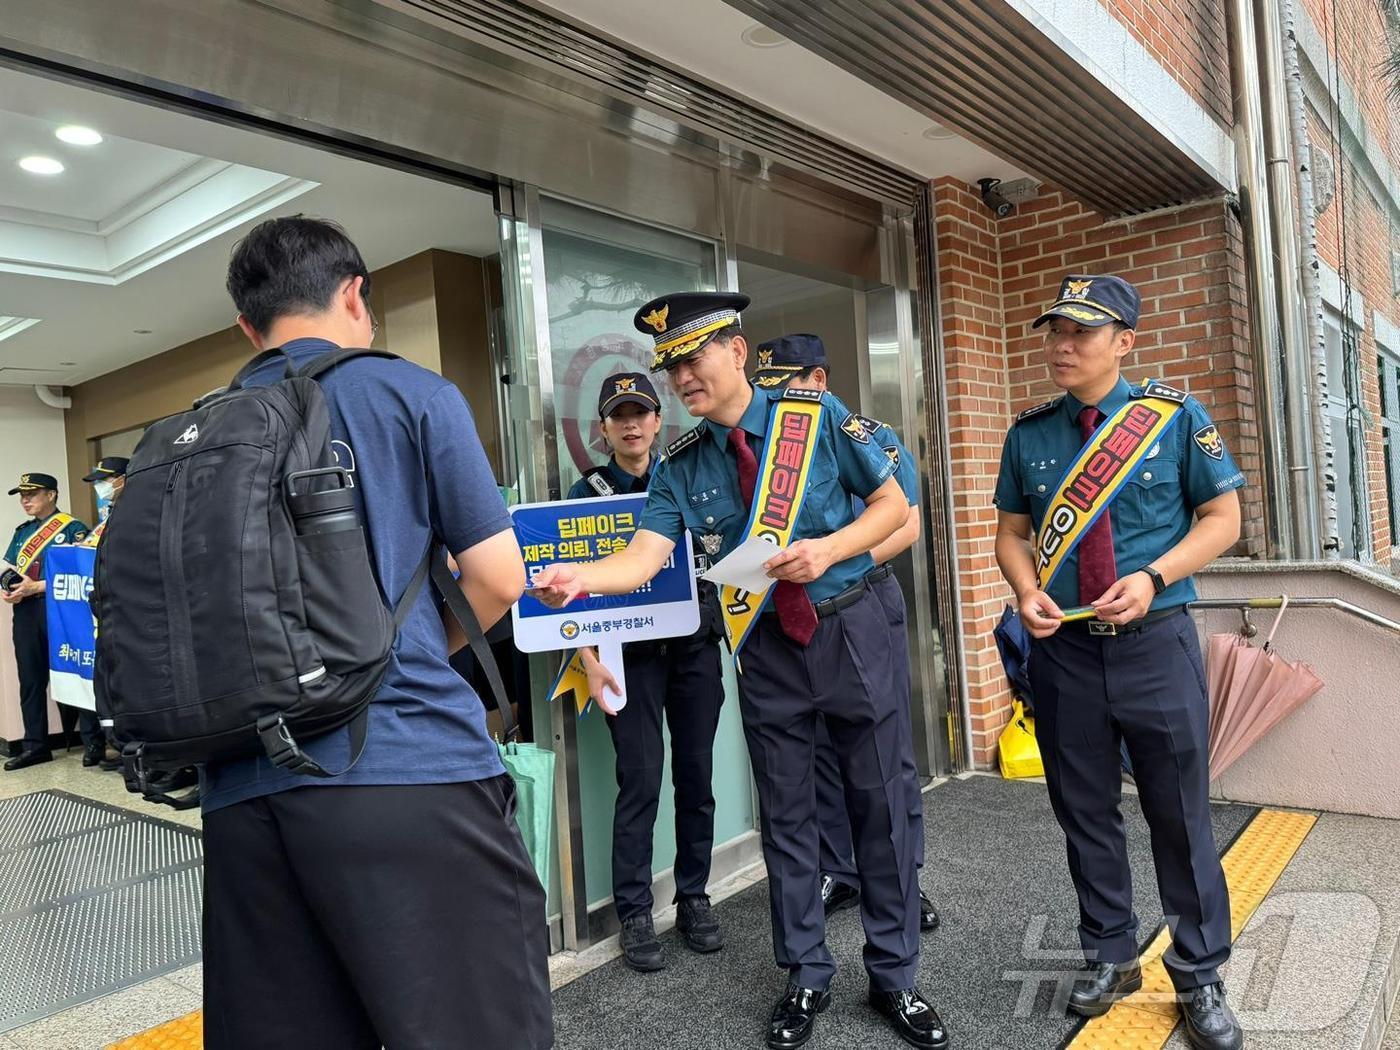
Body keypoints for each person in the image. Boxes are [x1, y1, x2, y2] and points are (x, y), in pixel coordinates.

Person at [533, 293, 947, 1050]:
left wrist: (828, 549)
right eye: (671, 366)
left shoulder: (814, 418)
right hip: (764, 647)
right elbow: (646, 556)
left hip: (851, 625)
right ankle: (807, 975)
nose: (682, 376)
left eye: (693, 358)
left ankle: (896, 976)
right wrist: (580, 577)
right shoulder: (681, 466)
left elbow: (894, 504)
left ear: (738, 352)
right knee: (787, 817)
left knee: (879, 805)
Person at [201, 216, 552, 1049]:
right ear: (355, 296)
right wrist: (410, 650)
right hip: (405, 768)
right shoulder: (409, 392)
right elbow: (501, 578)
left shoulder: (202, 430)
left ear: (248, 328)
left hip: (243, 796)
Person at [993, 274, 1245, 1050]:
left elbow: (1223, 518)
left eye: (1083, 333)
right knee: (1085, 810)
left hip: (1156, 646)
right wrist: (1026, 587)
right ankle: (1111, 952)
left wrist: (1155, 576)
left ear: (1124, 342)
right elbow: (1011, 532)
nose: (1062, 346)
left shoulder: (1172, 419)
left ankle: (1199, 973)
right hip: (1064, 652)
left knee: (1179, 812)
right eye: (1055, 332)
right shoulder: (1029, 432)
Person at [751, 334, 938, 934]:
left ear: (819, 381)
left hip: (867, 596)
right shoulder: (768, 451)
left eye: (789, 383)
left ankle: (906, 879)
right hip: (799, 609)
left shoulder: (865, 435)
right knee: (824, 759)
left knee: (888, 758)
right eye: (769, 385)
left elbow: (905, 523)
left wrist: (839, 560)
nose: (779, 396)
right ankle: (840, 869)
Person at [567, 371, 727, 972]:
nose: (632, 424)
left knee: (696, 777)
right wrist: (585, 653)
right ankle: (635, 911)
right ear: (605, 430)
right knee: (639, 782)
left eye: (642, 413)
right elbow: (569, 588)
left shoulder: (688, 477)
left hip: (692, 651)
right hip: (622, 661)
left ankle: (694, 898)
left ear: (659, 421)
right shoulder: (585, 495)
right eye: (619, 416)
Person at [3, 473, 93, 770]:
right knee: (30, 679)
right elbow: (15, 569)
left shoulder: (73, 529)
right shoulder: (22, 532)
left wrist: (37, 587)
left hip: (61, 610)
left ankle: (93, 743)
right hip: (27, 612)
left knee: (74, 673)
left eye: (32, 494)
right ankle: (35, 746)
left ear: (52, 495)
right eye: (22, 495)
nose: (25, 500)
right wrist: (12, 590)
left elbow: (82, 574)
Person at [81, 457, 129, 772]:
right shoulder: (110, 516)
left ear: (124, 478)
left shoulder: (137, 511)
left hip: (130, 614)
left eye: (106, 479)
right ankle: (126, 750)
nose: (102, 486)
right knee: (112, 685)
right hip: (109, 612)